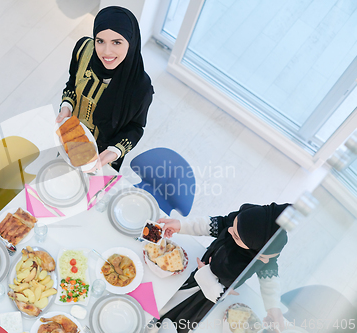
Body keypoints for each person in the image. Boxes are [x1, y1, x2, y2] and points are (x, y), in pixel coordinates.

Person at [157, 203, 290, 333]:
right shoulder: (241, 222)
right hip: (195, 272)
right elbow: (217, 224)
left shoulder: (254, 261)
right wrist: (181, 226)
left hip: (201, 297)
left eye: (236, 236)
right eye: (234, 225)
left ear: (259, 254)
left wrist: (273, 306)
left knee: (169, 317)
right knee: (162, 295)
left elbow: (221, 294)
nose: (229, 230)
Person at [56, 6, 154, 172]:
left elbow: (136, 128)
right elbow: (72, 82)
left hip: (104, 155)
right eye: (100, 41)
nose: (106, 52)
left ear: (131, 42)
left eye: (116, 42)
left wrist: (112, 152)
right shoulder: (83, 50)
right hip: (72, 138)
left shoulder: (140, 87)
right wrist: (67, 106)